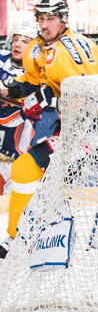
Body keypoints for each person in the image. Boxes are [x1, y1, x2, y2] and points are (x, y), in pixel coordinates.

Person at [0, 0, 98, 258]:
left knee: (30, 170)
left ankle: (22, 240)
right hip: (69, 128)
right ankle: (40, 239)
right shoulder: (37, 47)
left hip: (95, 129)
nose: (45, 25)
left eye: (51, 19)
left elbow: (93, 98)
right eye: (41, 18)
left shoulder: (78, 50)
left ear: (64, 19)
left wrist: (50, 101)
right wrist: (13, 90)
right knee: (38, 176)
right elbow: (31, 82)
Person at [0, 21, 40, 195]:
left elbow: (11, 118)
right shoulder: (1, 57)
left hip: (12, 152)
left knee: (9, 195)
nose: (17, 44)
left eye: (24, 41)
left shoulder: (36, 74)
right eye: (16, 39)